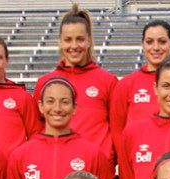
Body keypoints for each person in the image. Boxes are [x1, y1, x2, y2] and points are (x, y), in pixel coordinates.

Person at [7, 76, 110, 179]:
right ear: (40, 106)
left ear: (75, 107)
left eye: (64, 102)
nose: (57, 108)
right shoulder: (21, 155)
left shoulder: (92, 154)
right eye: (50, 101)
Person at [34, 4, 119, 169]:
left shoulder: (107, 81)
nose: (74, 46)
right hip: (56, 167)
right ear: (60, 41)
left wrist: (106, 162)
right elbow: (38, 131)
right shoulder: (45, 83)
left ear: (88, 41)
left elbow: (116, 132)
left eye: (80, 39)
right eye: (68, 40)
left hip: (95, 170)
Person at [112, 20, 170, 149]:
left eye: (162, 42)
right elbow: (117, 131)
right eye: (149, 42)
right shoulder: (126, 84)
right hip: (140, 160)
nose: (155, 47)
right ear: (143, 44)